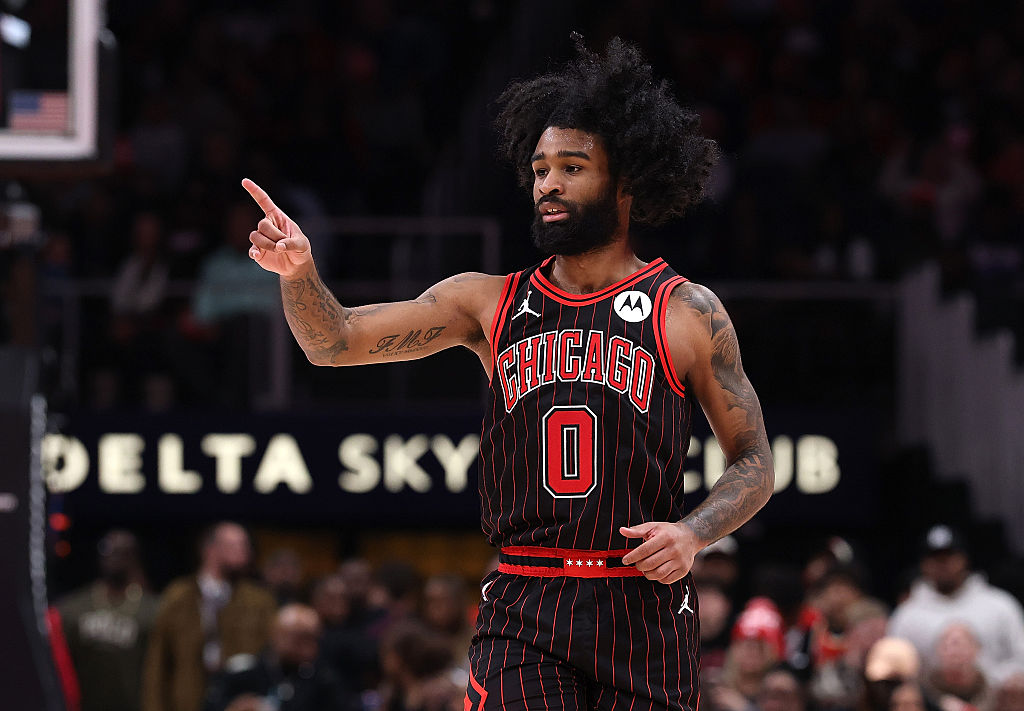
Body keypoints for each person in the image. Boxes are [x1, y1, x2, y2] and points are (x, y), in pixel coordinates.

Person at [243, 36, 774, 711]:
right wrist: (299, 275)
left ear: (626, 181)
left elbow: (755, 460)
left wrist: (695, 532)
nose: (547, 183)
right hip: (527, 601)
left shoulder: (688, 311)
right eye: (539, 167)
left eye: (571, 167)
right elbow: (336, 341)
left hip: (644, 602)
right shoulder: (485, 300)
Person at [142, 522, 278, 711]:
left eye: (245, 545)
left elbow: (271, 658)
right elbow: (158, 662)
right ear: (209, 549)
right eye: (234, 545)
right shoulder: (178, 596)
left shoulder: (259, 601)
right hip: (187, 699)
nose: (244, 551)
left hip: (238, 701)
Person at [888, 525, 1024, 683]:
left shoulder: (1000, 605)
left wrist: (982, 679)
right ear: (923, 564)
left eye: (949, 556)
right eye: (935, 558)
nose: (943, 564)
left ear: (964, 559)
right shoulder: (907, 615)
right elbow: (897, 670)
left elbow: (1020, 659)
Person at [58, 530, 159, 711]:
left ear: (134, 557)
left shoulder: (151, 610)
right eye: (108, 551)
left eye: (122, 552)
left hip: (132, 704)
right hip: (83, 704)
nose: (114, 557)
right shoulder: (74, 609)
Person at [203, 604, 355, 711]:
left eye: (313, 638)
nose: (307, 646)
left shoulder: (324, 681)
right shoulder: (242, 672)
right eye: (299, 637)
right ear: (276, 634)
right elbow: (210, 705)